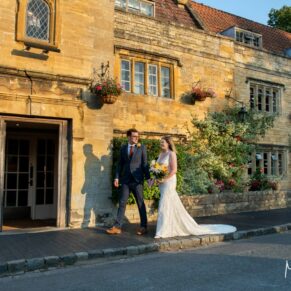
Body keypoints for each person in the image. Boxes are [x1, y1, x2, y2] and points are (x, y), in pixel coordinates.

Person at [154, 136, 237, 238]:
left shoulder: (172, 154)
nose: (161, 144)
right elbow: (158, 169)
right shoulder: (161, 154)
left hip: (169, 181)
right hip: (162, 182)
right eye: (160, 142)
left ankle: (164, 230)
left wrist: (164, 179)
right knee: (168, 202)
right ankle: (169, 226)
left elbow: (174, 170)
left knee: (165, 202)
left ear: (168, 143)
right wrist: (156, 177)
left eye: (163, 142)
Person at [106, 129, 150, 235]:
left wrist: (149, 179)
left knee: (140, 203)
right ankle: (117, 227)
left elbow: (145, 164)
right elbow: (119, 164)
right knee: (122, 203)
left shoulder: (142, 148)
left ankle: (143, 226)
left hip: (137, 180)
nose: (136, 138)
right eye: (134, 136)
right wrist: (116, 177)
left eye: (137, 136)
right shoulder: (123, 148)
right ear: (128, 137)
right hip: (125, 180)